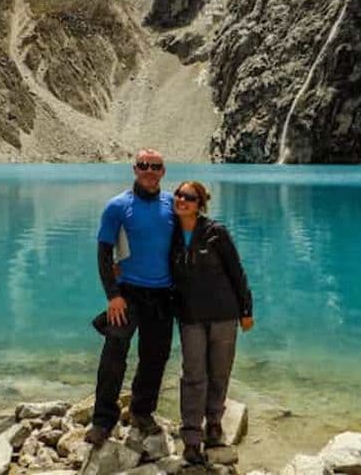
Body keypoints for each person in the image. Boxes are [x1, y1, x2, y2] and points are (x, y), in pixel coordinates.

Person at [85, 148, 176, 447]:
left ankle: (141, 411)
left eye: (155, 166)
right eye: (143, 165)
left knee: (155, 357)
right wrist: (113, 295)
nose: (149, 170)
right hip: (127, 293)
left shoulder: (173, 205)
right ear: (134, 169)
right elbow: (103, 252)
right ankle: (103, 420)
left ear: (163, 171)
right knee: (114, 355)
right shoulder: (117, 206)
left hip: (163, 294)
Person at [170, 180, 254, 464]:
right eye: (178, 195)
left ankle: (215, 422)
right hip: (190, 316)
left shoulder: (216, 232)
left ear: (200, 204)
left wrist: (246, 310)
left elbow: (237, 272)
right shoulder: (169, 233)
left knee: (219, 371)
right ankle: (192, 437)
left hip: (224, 315)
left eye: (189, 197)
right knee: (193, 374)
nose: (182, 200)